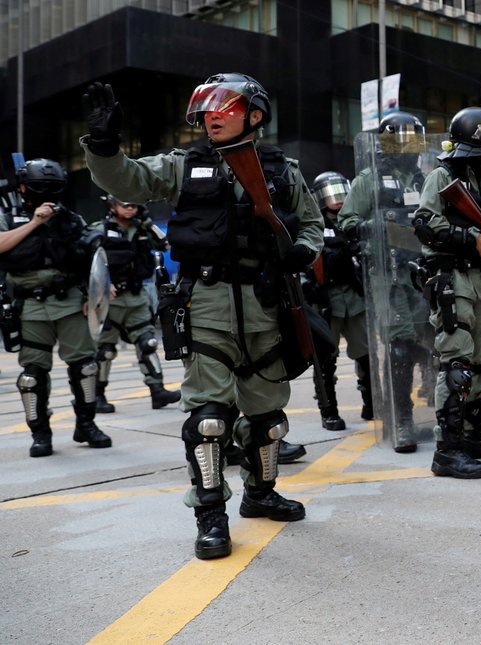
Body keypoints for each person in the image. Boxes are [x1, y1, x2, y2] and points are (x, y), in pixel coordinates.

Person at [81, 73, 323, 560]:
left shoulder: (282, 169)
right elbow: (126, 179)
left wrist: (303, 249)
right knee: (209, 420)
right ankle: (210, 514)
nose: (212, 116)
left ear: (254, 115)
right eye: (206, 109)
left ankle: (261, 493)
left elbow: (313, 223)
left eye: (226, 108)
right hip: (206, 302)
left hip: (268, 302)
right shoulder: (181, 165)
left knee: (267, 419)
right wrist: (104, 145)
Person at [412, 106, 481, 479]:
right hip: (452, 278)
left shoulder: (477, 179)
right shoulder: (442, 176)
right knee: (458, 365)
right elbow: (425, 225)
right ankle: (448, 450)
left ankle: (473, 436)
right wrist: (474, 238)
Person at [0, 158, 112, 457]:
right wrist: (36, 222)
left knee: (86, 366)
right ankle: (40, 434)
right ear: (23, 188)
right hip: (30, 305)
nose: (47, 196)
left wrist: (98, 291)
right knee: (32, 375)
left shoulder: (71, 219)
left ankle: (86, 425)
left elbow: (92, 256)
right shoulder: (8, 216)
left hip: (70, 301)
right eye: (40, 189)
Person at [337, 112, 433, 453]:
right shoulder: (371, 179)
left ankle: (434, 409)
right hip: (390, 275)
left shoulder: (422, 180)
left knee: (431, 339)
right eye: (400, 137)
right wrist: (375, 229)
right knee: (399, 345)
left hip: (421, 272)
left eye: (413, 137)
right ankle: (402, 418)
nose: (408, 144)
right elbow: (347, 220)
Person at [91, 195, 181, 412]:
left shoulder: (141, 229)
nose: (130, 209)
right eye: (125, 204)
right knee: (105, 351)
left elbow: (165, 245)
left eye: (134, 205)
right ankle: (97, 396)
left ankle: (157, 391)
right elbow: (88, 258)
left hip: (136, 296)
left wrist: (148, 225)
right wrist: (101, 284)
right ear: (113, 206)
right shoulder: (99, 229)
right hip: (109, 298)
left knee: (147, 343)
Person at [307, 170, 371, 429]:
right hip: (326, 300)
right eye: (331, 194)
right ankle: (328, 410)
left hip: (354, 297)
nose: (339, 199)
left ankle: (371, 402)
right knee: (324, 358)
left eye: (342, 192)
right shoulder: (312, 224)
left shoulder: (354, 222)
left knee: (365, 353)